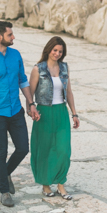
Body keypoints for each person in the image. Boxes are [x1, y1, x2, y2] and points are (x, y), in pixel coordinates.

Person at [0, 21, 40, 207]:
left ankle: (5, 173)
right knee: (1, 151)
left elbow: (23, 81)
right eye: (10, 34)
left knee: (23, 148)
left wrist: (31, 104)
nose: (13, 37)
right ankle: (4, 192)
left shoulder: (15, 55)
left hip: (15, 110)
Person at [28, 36, 80, 200]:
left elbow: (69, 92)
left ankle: (61, 185)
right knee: (44, 149)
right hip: (44, 113)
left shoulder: (64, 68)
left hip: (61, 112)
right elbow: (29, 93)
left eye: (60, 51)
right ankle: (45, 184)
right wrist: (31, 109)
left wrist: (74, 113)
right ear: (48, 49)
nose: (57, 53)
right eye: (55, 50)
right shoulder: (38, 69)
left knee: (63, 150)